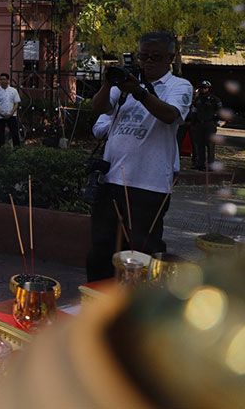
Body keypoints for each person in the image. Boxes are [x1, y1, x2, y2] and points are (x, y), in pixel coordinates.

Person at [86, 32, 192, 282]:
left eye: (156, 57)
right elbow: (97, 108)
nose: (148, 62)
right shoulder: (124, 86)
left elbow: (170, 115)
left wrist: (140, 92)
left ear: (170, 57)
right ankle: (98, 298)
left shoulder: (179, 86)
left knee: (142, 251)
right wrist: (108, 83)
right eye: (143, 56)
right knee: (101, 249)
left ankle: (141, 302)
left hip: (149, 185)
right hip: (111, 180)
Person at [188, 80, 222, 171]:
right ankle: (200, 164)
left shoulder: (215, 99)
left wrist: (216, 121)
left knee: (210, 145)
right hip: (199, 124)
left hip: (210, 124)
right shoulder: (197, 99)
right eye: (202, 88)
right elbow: (194, 111)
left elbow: (219, 111)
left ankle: (211, 165)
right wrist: (193, 122)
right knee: (200, 145)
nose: (203, 89)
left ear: (209, 88)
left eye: (205, 88)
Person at [0, 72, 22, 148]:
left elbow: (16, 103)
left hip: (12, 116)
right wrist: (1, 113)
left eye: (4, 79)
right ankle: (2, 150)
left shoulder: (13, 91)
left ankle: (17, 149)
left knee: (15, 133)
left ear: (8, 80)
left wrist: (11, 113)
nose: (2, 81)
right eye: (1, 79)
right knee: (0, 134)